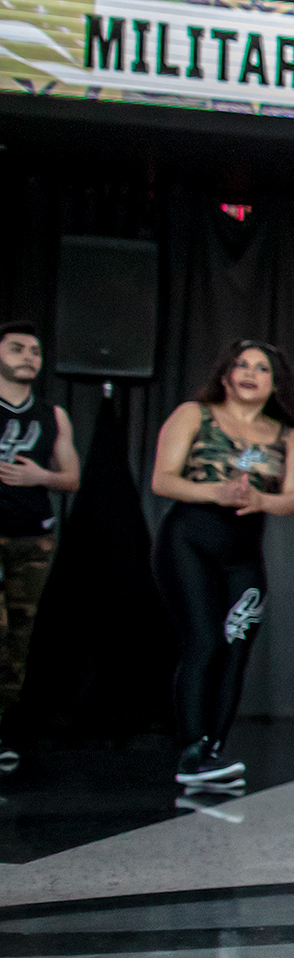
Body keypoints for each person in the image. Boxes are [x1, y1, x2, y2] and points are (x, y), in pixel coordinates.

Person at [150, 340, 294, 786]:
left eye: (262, 368)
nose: (250, 373)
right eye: (241, 365)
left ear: (275, 383)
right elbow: (162, 480)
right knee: (204, 641)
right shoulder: (195, 415)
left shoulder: (287, 436)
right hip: (189, 541)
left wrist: (261, 500)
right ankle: (191, 751)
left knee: (236, 646)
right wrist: (216, 492)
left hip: (243, 551)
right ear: (226, 376)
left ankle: (213, 751)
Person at [0, 321, 79, 768]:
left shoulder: (53, 415)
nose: (28, 357)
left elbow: (71, 477)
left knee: (19, 637)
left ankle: (2, 728)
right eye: (17, 348)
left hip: (33, 536)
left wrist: (39, 476)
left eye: (34, 351)